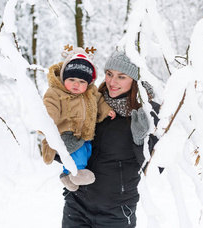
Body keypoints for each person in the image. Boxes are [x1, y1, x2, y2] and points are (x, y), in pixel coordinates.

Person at [61, 50, 160, 228]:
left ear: (135, 79)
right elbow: (62, 149)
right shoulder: (90, 101)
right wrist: (64, 144)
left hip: (116, 211)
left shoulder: (148, 113)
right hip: (76, 205)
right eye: (109, 74)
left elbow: (155, 168)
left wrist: (140, 140)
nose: (112, 82)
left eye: (121, 77)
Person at [40, 47, 116, 192]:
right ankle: (78, 173)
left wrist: (107, 111)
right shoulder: (55, 93)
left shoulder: (91, 93)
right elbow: (50, 107)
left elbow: (100, 103)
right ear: (63, 79)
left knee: (86, 152)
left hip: (85, 135)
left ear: (88, 83)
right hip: (67, 134)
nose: (76, 84)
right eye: (72, 79)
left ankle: (66, 175)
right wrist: (48, 121)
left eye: (82, 81)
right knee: (78, 155)